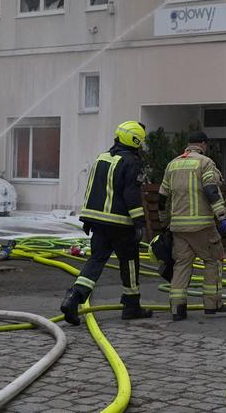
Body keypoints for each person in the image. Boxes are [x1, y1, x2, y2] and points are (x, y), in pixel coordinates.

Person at [60, 121, 154, 324]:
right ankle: (131, 305)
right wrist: (139, 222)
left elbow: (92, 188)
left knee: (96, 261)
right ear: (135, 140)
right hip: (120, 224)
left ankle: (74, 297)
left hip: (98, 223)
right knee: (129, 262)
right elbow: (131, 194)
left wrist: (86, 218)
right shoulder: (131, 162)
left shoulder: (101, 158)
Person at [159, 130, 226, 320]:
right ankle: (212, 304)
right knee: (213, 260)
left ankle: (177, 308)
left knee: (182, 264)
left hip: (178, 228)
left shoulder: (172, 164)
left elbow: (162, 196)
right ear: (203, 144)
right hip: (202, 226)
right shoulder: (205, 163)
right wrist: (222, 215)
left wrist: (163, 220)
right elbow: (210, 190)